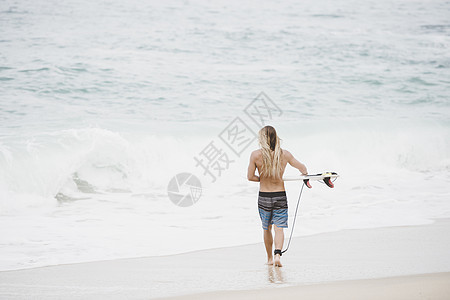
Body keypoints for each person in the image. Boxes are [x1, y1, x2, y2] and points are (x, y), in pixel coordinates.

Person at [247, 125, 307, 267]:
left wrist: (262, 179)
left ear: (262, 139)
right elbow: (303, 168)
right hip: (280, 195)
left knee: (266, 228)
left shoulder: (255, 155)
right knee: (279, 228)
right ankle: (278, 255)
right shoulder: (284, 154)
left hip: (264, 196)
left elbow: (250, 177)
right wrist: (304, 173)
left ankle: (269, 259)